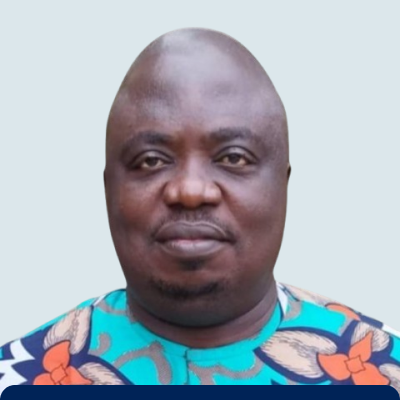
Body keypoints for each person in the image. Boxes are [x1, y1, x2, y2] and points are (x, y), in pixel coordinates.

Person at [0, 28, 399, 389]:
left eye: (233, 157)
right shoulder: (21, 381)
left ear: (283, 184)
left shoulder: (382, 375)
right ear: (109, 190)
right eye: (151, 161)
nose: (190, 191)